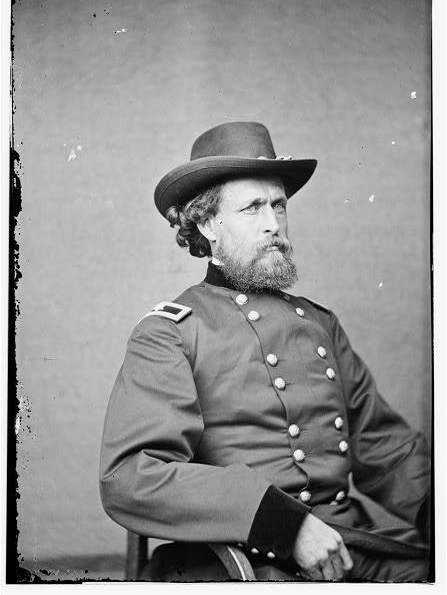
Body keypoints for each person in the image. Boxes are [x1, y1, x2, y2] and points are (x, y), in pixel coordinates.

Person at [100, 121, 431, 582]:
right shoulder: (169, 333)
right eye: (252, 207)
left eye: (279, 205)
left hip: (353, 543)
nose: (274, 223)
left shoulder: (320, 324)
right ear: (207, 224)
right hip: (244, 558)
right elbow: (132, 476)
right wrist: (286, 526)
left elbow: (385, 447)